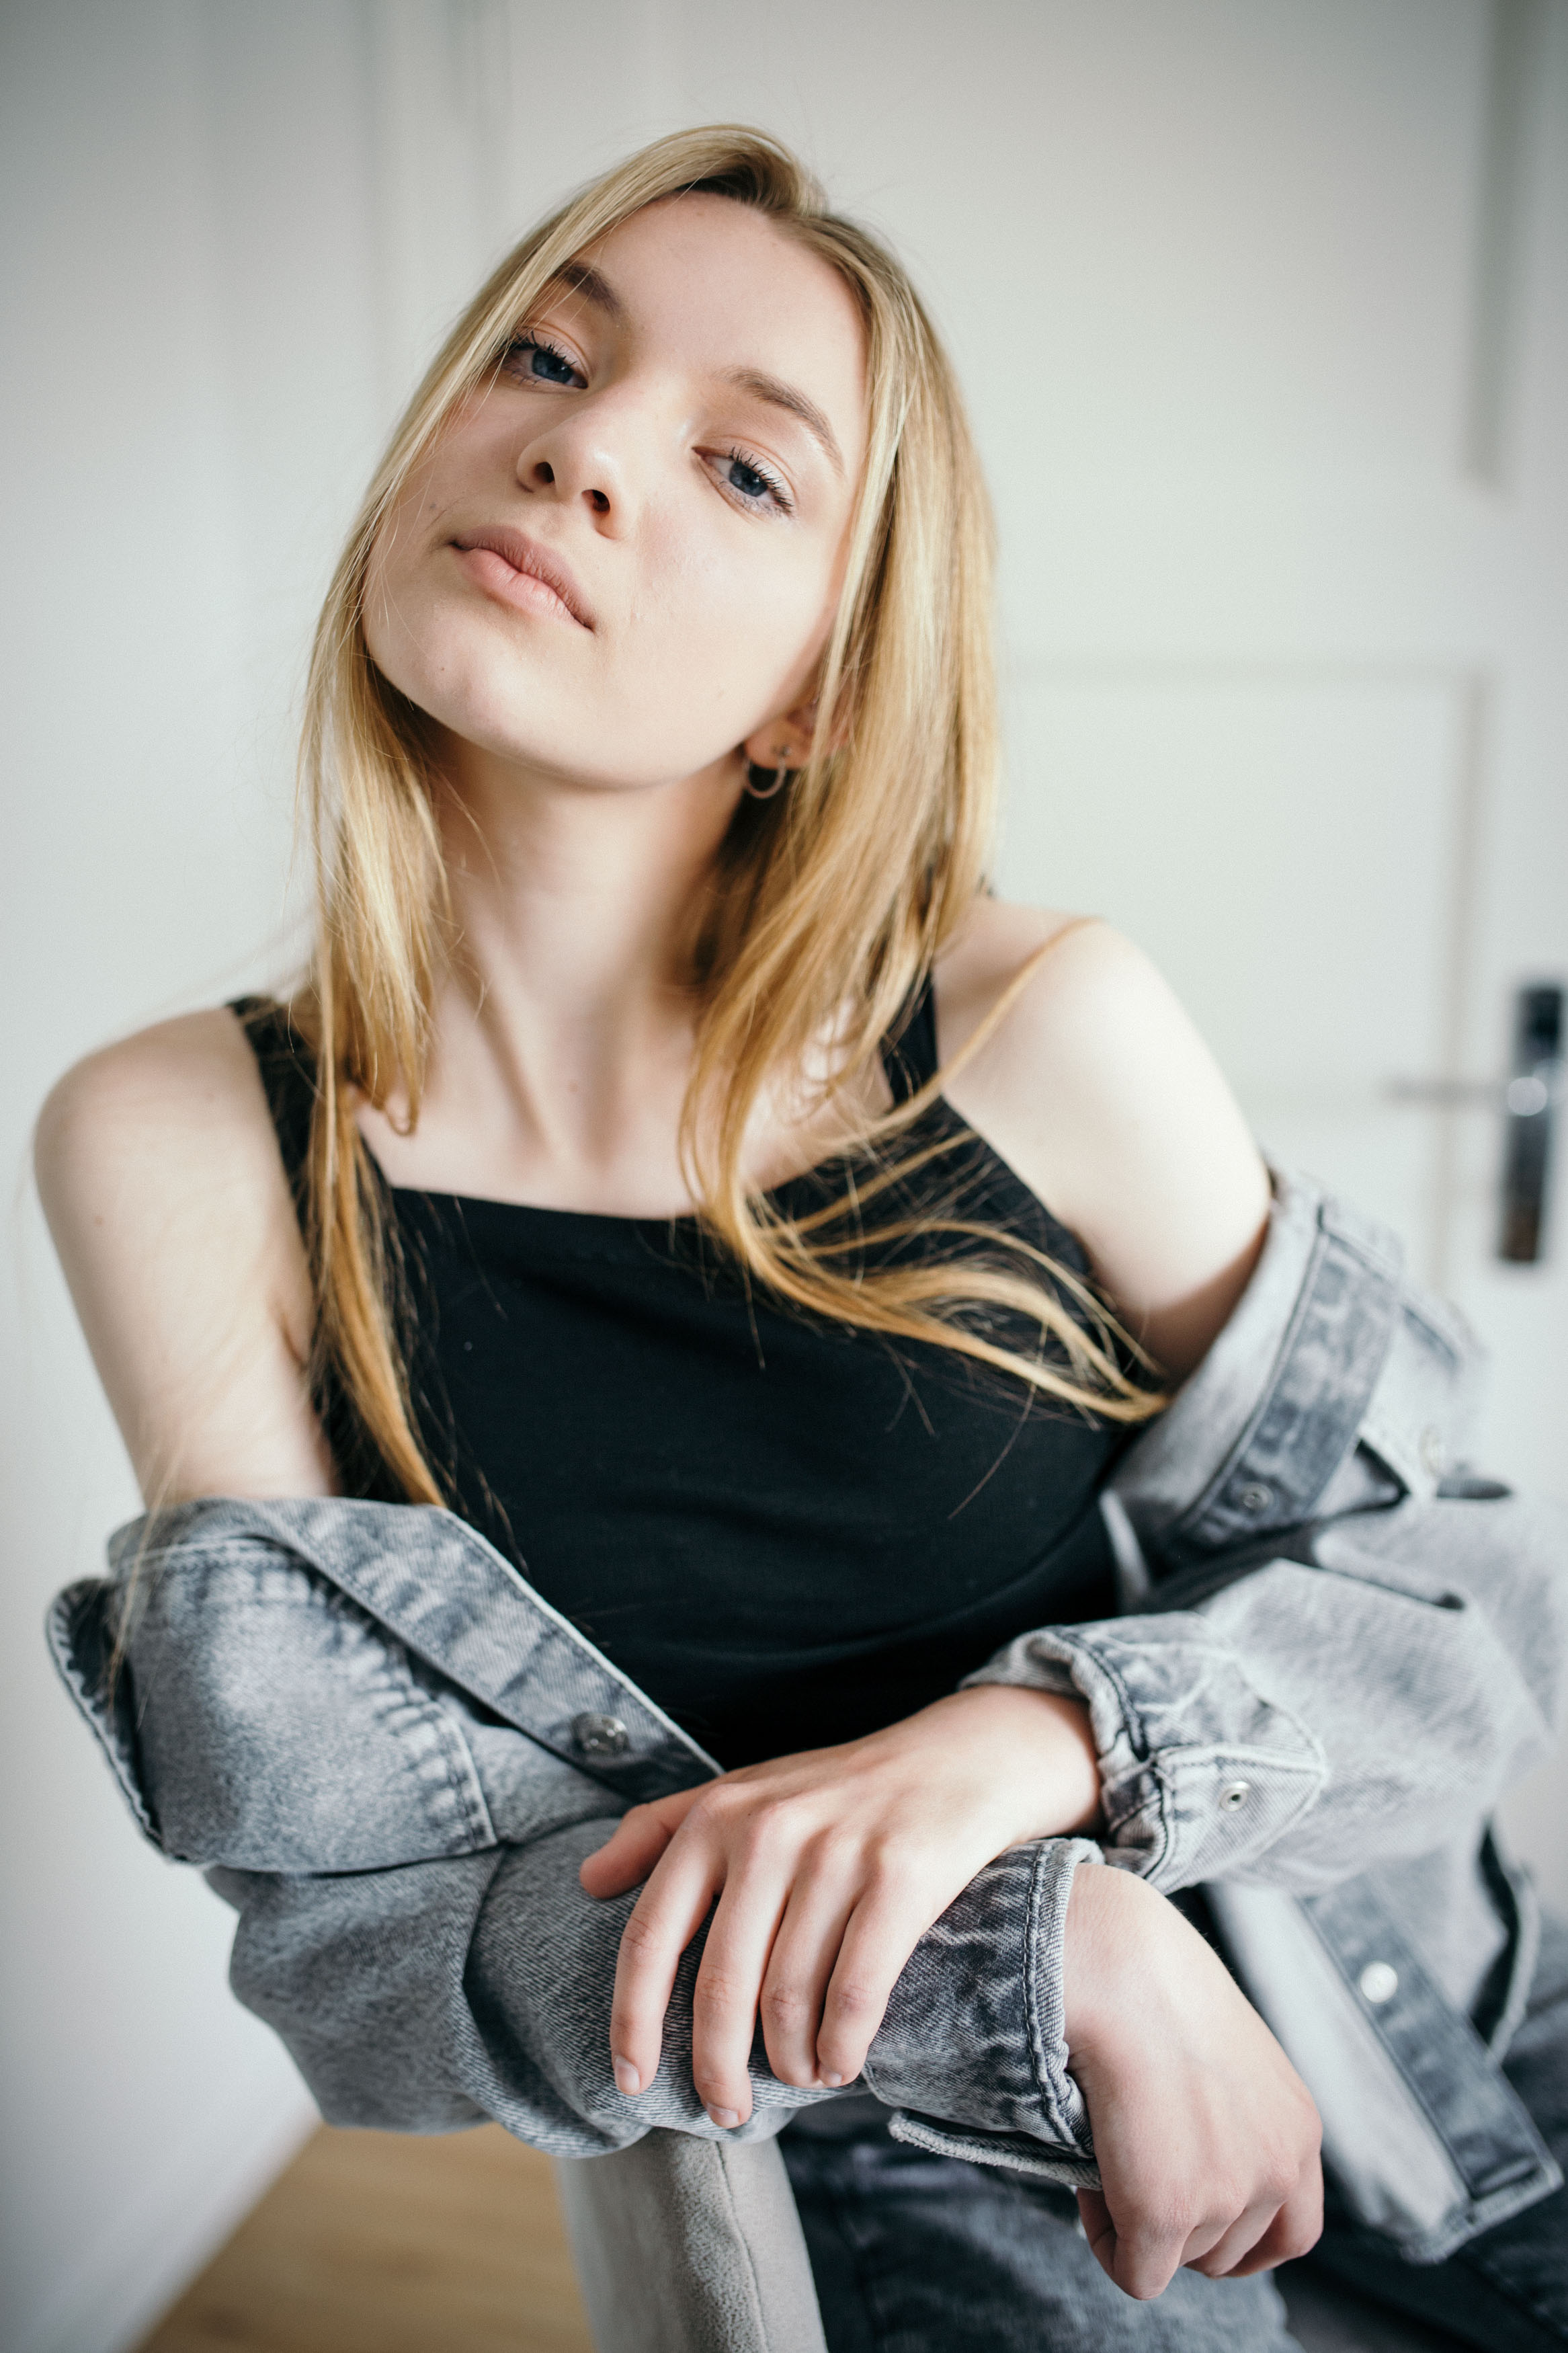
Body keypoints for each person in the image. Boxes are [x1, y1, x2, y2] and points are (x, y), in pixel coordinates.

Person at [36, 127, 1566, 2352]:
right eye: (544, 357)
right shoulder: (179, 1144)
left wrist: (1034, 1754)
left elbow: (1464, 1605)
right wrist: (1031, 1941)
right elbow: (365, 1955)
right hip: (906, 2142)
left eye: (743, 467)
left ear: (818, 696)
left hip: (1427, 2005)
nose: (581, 450)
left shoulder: (1038, 1028)